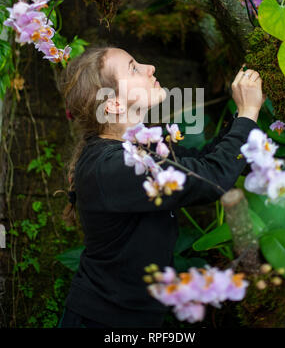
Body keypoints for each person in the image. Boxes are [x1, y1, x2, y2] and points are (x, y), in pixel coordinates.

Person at [58, 45, 265, 328]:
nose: (149, 67)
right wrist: (248, 114)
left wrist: (243, 113)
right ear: (114, 104)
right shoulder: (113, 166)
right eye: (133, 68)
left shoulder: (133, 151)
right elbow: (211, 179)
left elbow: (203, 161)